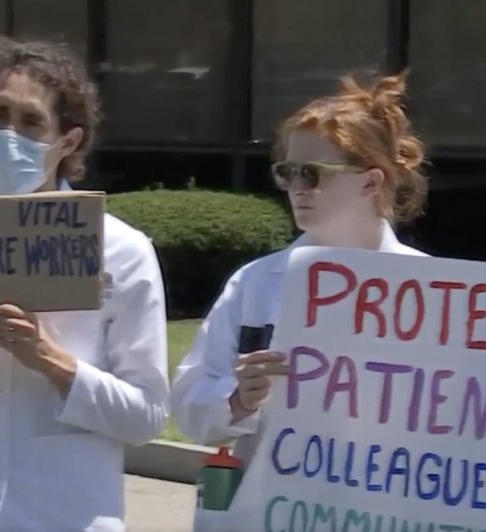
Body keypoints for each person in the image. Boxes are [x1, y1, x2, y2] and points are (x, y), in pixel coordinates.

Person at [0, 37, 169, 532]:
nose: (9, 135)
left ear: (67, 141)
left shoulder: (121, 250)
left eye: (30, 122)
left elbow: (146, 417)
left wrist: (49, 359)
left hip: (63, 521)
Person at [170, 70, 428, 472]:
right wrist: (238, 399)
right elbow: (189, 406)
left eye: (312, 172)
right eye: (287, 172)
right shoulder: (254, 284)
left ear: (370, 183)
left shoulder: (431, 290)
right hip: (272, 504)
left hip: (386, 499)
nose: (297, 187)